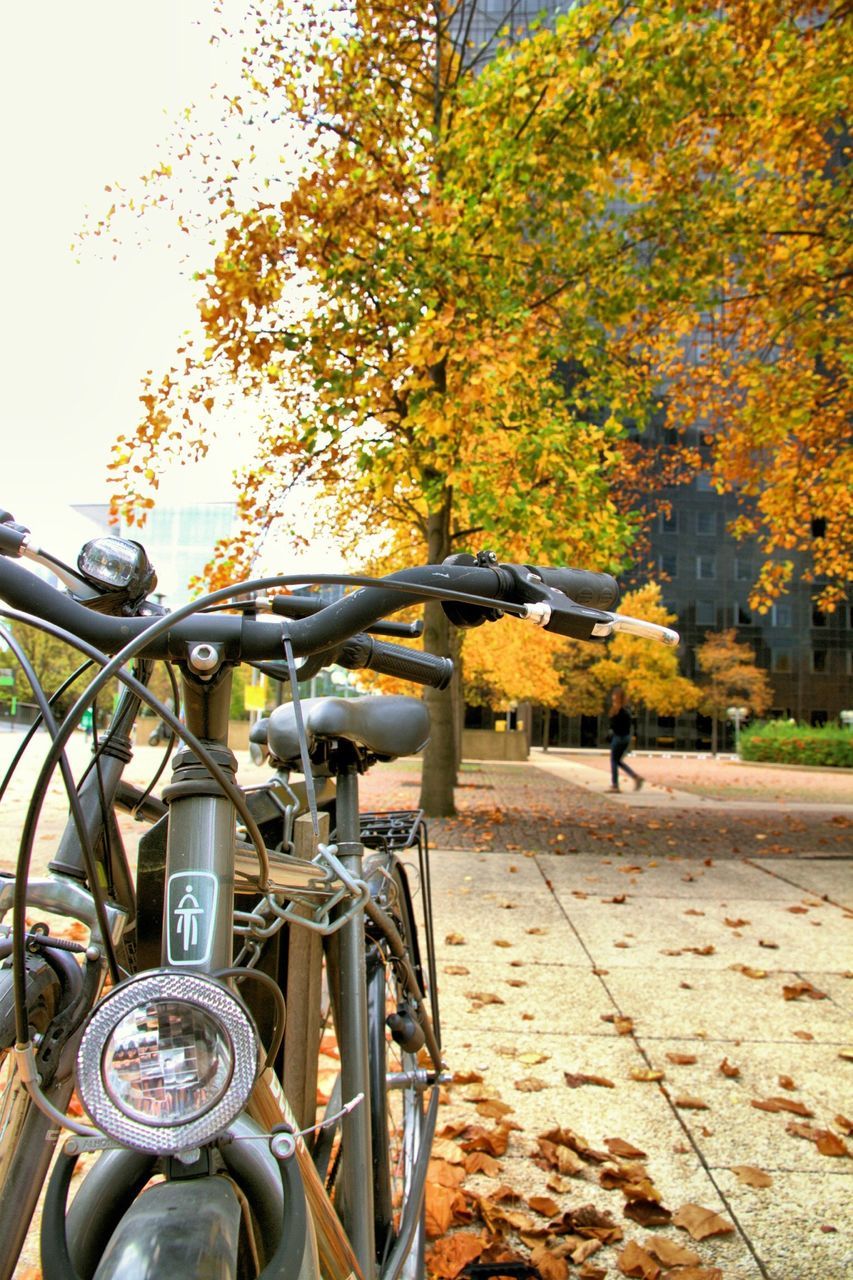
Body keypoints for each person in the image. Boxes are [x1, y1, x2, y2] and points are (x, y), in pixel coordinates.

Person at [607, 688, 644, 792]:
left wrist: (612, 728)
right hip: (625, 738)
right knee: (617, 761)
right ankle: (636, 777)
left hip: (618, 737)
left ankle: (615, 785)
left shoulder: (618, 711)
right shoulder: (626, 710)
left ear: (617, 697)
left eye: (614, 695)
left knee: (614, 761)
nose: (612, 697)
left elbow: (614, 726)